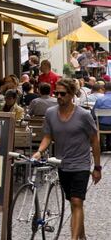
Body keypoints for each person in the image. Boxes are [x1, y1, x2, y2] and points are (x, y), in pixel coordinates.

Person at [33, 78, 101, 240]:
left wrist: (97, 167)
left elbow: (94, 140)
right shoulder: (50, 113)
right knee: (73, 203)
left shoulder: (83, 115)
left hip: (81, 165)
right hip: (63, 165)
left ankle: (74, 238)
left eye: (62, 94)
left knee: (77, 201)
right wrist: (39, 152)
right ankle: (82, 236)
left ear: (71, 95)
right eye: (56, 93)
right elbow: (48, 136)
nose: (58, 96)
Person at [93, 82, 111, 151]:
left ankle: (101, 145)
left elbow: (94, 114)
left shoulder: (100, 100)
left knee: (96, 122)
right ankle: (109, 144)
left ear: (104, 89)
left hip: (101, 126)